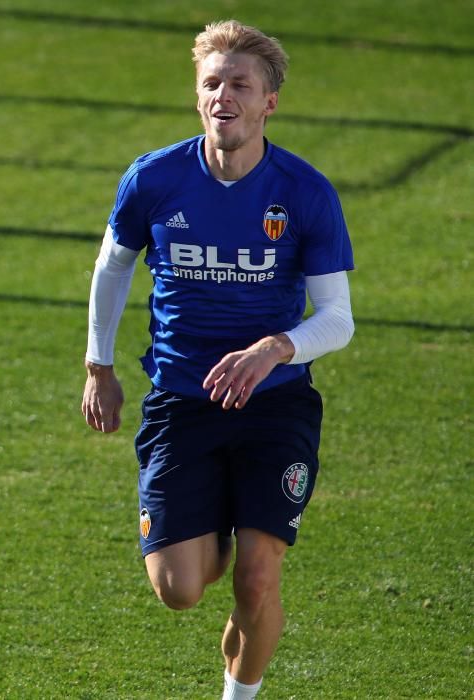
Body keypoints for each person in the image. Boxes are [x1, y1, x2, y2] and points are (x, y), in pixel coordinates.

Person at [81, 20, 354, 700]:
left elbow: (338, 320)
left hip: (276, 403)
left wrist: (274, 348)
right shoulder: (153, 179)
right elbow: (112, 270)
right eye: (212, 83)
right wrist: (100, 366)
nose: (223, 95)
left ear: (269, 104)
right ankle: (219, 520)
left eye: (240, 84)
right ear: (197, 96)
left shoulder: (305, 192)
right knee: (179, 589)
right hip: (181, 401)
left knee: (258, 582)